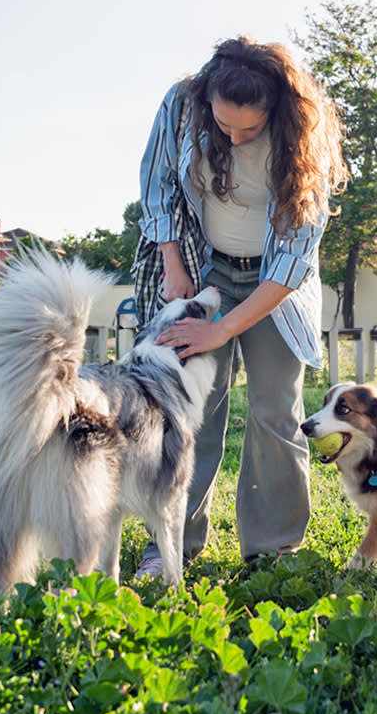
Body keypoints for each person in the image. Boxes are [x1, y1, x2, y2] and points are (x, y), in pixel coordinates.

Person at [133, 35, 347, 576]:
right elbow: (157, 187)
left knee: (275, 410)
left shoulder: (305, 136)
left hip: (275, 284)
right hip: (206, 267)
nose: (233, 135)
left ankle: (274, 552)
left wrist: (222, 329)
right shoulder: (182, 105)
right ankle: (170, 546)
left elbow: (292, 263)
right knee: (189, 412)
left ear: (276, 109)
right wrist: (174, 265)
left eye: (248, 128)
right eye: (224, 123)